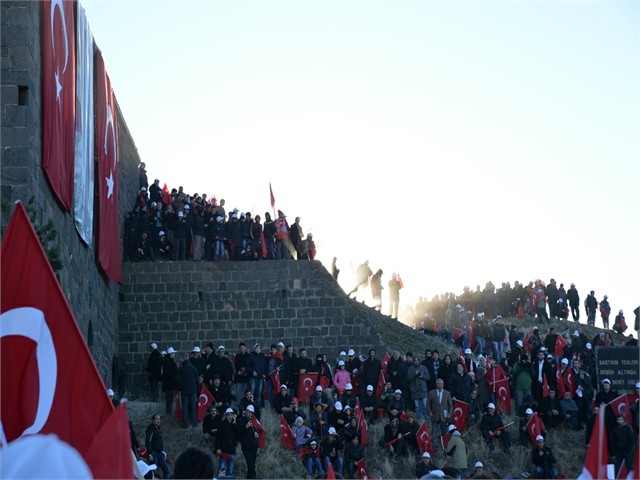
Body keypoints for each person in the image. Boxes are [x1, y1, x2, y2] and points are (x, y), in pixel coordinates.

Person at [239, 405, 262, 479]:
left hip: (254, 445)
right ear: (245, 411)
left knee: (252, 463)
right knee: (250, 463)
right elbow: (239, 432)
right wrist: (246, 427)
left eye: (251, 413)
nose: (250, 414)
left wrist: (256, 432)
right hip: (246, 445)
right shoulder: (241, 420)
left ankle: (250, 477)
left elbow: (259, 428)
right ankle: (253, 476)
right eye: (249, 412)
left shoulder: (254, 420)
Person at [216, 408, 240, 478]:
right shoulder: (221, 425)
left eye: (231, 415)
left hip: (232, 450)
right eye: (228, 415)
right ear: (226, 416)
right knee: (221, 470)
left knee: (230, 471)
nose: (230, 416)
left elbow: (238, 434)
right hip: (223, 450)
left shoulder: (234, 424)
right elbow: (218, 438)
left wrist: (235, 424)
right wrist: (218, 448)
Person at [145, 414, 170, 479]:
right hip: (154, 453)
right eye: (156, 419)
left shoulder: (159, 429)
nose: (158, 421)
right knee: (154, 472)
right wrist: (150, 454)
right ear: (153, 420)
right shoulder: (151, 429)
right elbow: (148, 441)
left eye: (159, 419)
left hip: (160, 453)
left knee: (166, 470)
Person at [408, 355, 430, 422]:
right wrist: (414, 374)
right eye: (415, 360)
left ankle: (427, 418)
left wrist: (422, 376)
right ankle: (419, 418)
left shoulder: (423, 368)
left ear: (419, 361)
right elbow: (408, 378)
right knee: (417, 407)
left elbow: (428, 377)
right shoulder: (411, 369)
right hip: (415, 391)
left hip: (423, 390)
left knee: (425, 405)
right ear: (413, 361)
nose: (416, 362)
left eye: (417, 360)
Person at [179, 358, 199, 429]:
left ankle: (185, 423)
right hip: (193, 390)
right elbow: (197, 379)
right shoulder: (193, 368)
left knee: (185, 407)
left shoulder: (181, 369)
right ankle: (194, 423)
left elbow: (178, 380)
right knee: (193, 407)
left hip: (184, 391)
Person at [161, 347, 179, 415]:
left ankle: (169, 412)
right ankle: (168, 413)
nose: (174, 355)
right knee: (169, 400)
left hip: (169, 384)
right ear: (170, 354)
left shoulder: (167, 361)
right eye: (173, 353)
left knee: (169, 400)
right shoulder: (168, 362)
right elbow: (170, 374)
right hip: (170, 385)